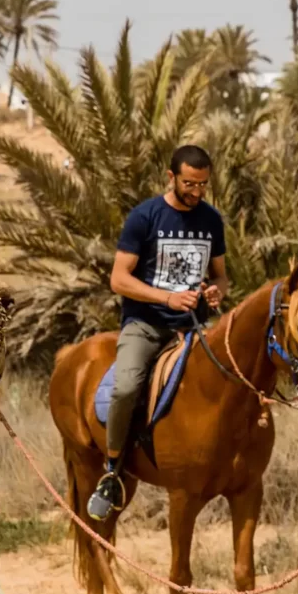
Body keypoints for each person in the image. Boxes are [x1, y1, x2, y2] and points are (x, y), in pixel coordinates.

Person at [87, 145, 230, 522]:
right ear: (171, 177)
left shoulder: (211, 220)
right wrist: (167, 297)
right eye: (189, 184)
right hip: (146, 326)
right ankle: (113, 469)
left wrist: (217, 291)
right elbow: (119, 279)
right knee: (127, 385)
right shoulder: (145, 217)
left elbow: (221, 275)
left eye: (203, 185)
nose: (196, 192)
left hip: (195, 330)